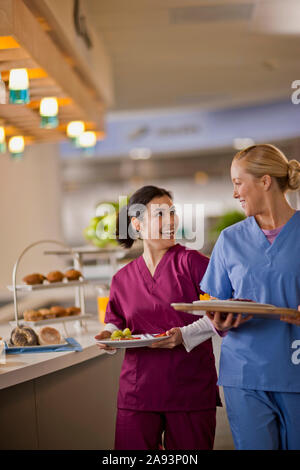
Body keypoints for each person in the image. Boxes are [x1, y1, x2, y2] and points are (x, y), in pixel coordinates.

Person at [189, 144, 300, 450]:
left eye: (238, 183)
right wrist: (220, 319)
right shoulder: (230, 239)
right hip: (245, 374)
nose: (235, 193)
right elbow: (217, 303)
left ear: (265, 181)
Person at [95, 185, 222, 450]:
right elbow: (116, 321)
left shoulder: (193, 263)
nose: (172, 221)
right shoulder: (122, 278)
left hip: (189, 390)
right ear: (137, 224)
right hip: (137, 392)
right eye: (161, 214)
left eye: (173, 212)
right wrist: (108, 335)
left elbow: (223, 310)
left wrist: (184, 335)